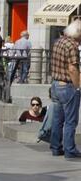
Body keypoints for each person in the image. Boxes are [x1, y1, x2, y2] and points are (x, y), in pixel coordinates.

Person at [50, 19, 81, 159]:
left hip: (56, 84)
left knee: (57, 119)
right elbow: (72, 68)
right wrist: (78, 86)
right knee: (71, 120)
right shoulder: (72, 45)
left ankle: (56, 147)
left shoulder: (58, 41)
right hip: (67, 86)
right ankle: (70, 150)